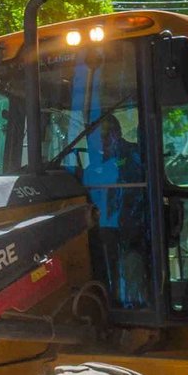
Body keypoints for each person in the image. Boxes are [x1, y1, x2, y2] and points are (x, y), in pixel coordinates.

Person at [83, 114, 150, 307]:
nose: (102, 142)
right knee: (104, 274)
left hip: (133, 232)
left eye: (106, 136)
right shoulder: (91, 170)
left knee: (132, 270)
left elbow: (137, 194)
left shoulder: (134, 157)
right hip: (102, 232)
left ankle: (136, 307)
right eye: (96, 138)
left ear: (117, 133)